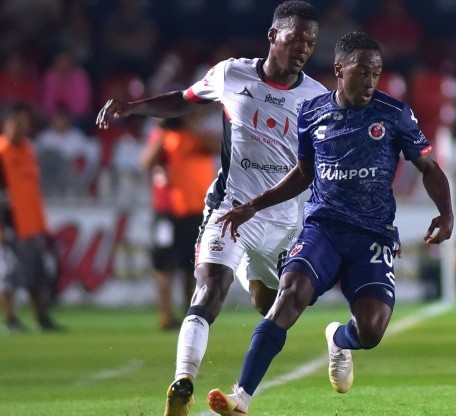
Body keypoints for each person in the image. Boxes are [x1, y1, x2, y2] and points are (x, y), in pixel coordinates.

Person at [205, 31, 454, 416]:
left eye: (376, 73)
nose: (371, 81)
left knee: (370, 331)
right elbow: (303, 174)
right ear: (339, 69)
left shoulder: (394, 114)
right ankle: (242, 397)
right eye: (361, 72)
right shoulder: (311, 112)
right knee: (289, 297)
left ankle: (339, 338)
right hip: (323, 229)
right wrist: (253, 206)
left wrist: (446, 210)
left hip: (372, 234)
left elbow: (429, 166)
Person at [95, 2, 326, 415]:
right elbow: (184, 100)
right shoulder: (231, 73)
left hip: (285, 222)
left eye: (310, 41)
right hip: (231, 210)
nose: (304, 48)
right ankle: (183, 380)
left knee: (272, 304)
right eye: (295, 39)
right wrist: (135, 108)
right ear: (273, 36)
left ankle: (267, 297)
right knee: (209, 289)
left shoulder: (317, 98)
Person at [139, 110, 219, 330]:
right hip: (168, 211)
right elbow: (146, 163)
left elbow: (217, 148)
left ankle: (190, 313)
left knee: (193, 267)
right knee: (164, 265)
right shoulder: (163, 137)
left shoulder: (200, 134)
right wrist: (164, 130)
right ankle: (165, 316)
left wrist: (191, 127)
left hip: (198, 211)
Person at [0, 103, 60, 333]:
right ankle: (10, 319)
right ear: (7, 123)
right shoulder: (2, 151)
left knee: (37, 274)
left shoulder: (28, 149)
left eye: (26, 124)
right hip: (11, 224)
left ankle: (41, 317)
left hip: (32, 223)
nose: (23, 128)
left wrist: (41, 223)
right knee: (10, 275)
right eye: (18, 123)